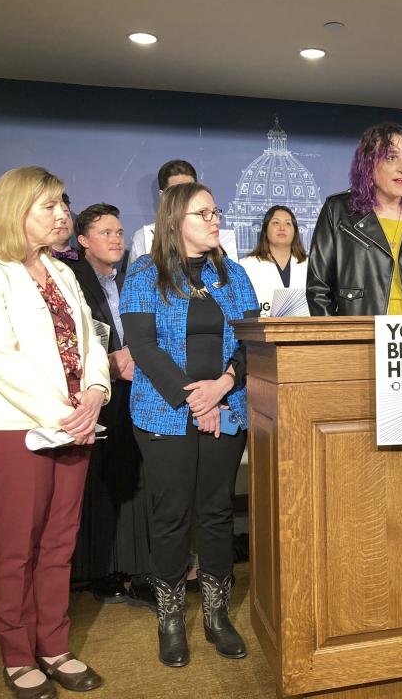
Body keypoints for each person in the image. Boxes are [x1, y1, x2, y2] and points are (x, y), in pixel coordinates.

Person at [0, 166, 109, 697]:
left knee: (59, 544)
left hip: (74, 422)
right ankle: (18, 654)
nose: (62, 214)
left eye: (63, 204)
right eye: (50, 205)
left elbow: (91, 340)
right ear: (15, 208)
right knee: (16, 546)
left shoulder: (62, 271)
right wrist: (66, 415)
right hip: (10, 428)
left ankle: (55, 646)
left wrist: (94, 392)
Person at [120, 182, 258, 667]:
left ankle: (217, 616)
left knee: (218, 512)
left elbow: (250, 342)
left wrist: (222, 387)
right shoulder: (143, 274)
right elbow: (144, 347)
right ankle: (171, 619)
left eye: (216, 211)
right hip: (165, 411)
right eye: (204, 213)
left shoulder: (234, 274)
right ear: (176, 221)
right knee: (171, 515)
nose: (215, 219)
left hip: (228, 406)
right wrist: (196, 401)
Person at [69, 203, 154, 610]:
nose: (117, 239)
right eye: (106, 232)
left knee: (129, 479)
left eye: (120, 232)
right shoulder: (72, 280)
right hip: (92, 395)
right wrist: (111, 361)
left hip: (135, 391)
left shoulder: (131, 280)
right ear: (82, 241)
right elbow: (74, 338)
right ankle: (99, 570)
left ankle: (131, 568)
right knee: (97, 486)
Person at [308, 122, 402, 316]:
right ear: (369, 164)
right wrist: (339, 341)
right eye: (391, 157)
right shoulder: (338, 211)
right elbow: (318, 290)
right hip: (360, 339)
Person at [238, 204, 309, 316]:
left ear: (295, 232)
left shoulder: (311, 265)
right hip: (260, 331)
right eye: (276, 222)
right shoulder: (245, 266)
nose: (282, 228)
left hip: (306, 331)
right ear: (265, 230)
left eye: (288, 223)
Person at [128, 160, 198, 265]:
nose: (185, 196)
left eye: (190, 190)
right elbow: (133, 280)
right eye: (177, 191)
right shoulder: (144, 238)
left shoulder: (212, 234)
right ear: (163, 196)